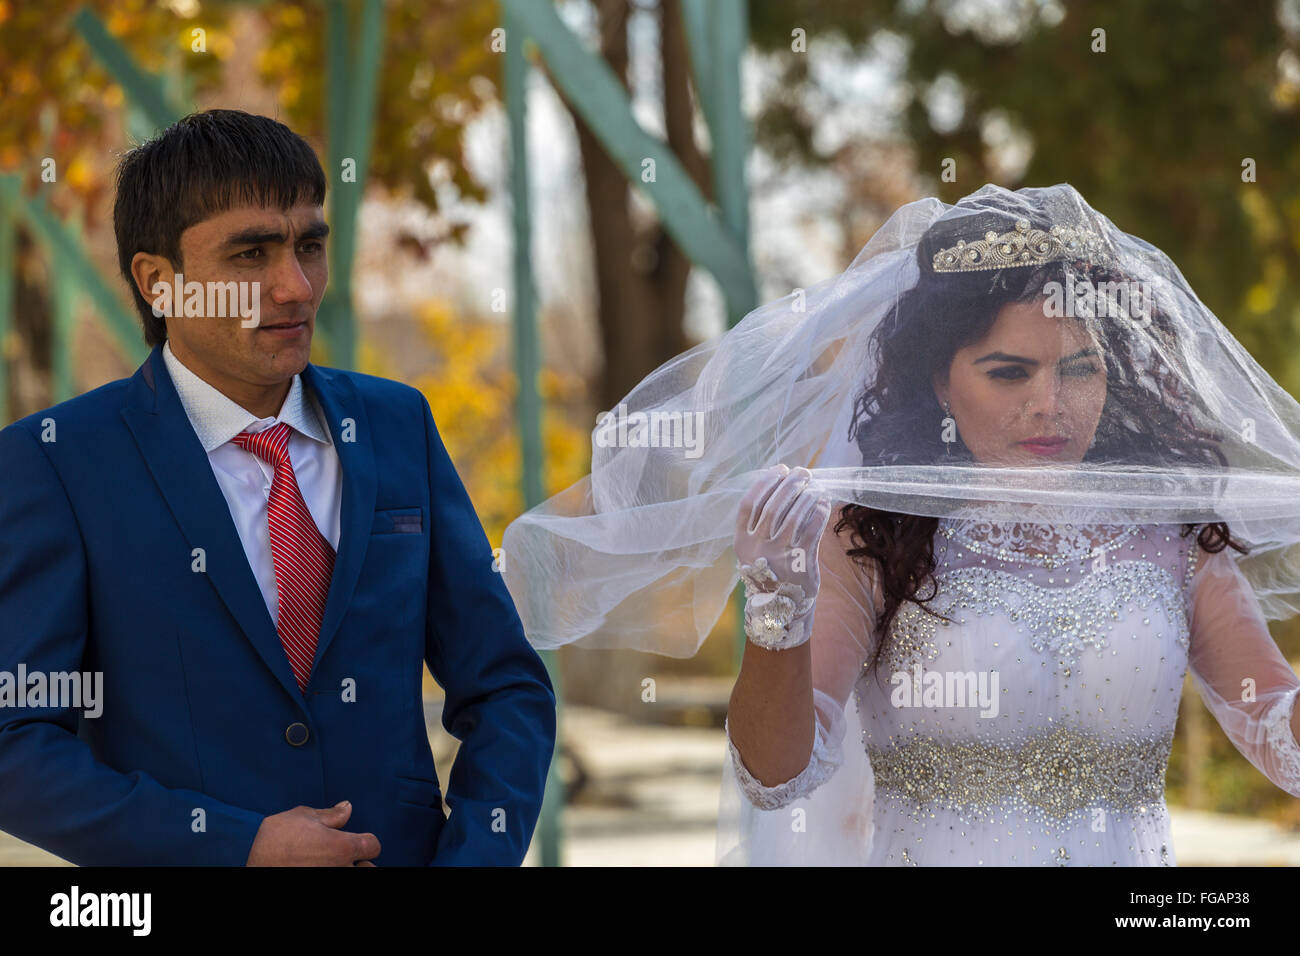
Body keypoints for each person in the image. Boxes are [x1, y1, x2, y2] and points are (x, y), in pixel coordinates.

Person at [502, 182, 1300, 865]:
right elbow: (776, 774)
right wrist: (776, 614)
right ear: (940, 386)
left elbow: (1280, 734)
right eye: (1009, 371)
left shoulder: (1173, 536)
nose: (1049, 404)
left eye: (1079, 368)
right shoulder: (873, 536)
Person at [0, 109, 556, 866]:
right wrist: (236, 845)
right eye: (250, 254)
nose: (295, 286)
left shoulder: (397, 427)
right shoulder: (56, 463)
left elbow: (506, 691)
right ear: (159, 282)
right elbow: (15, 747)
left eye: (310, 246)